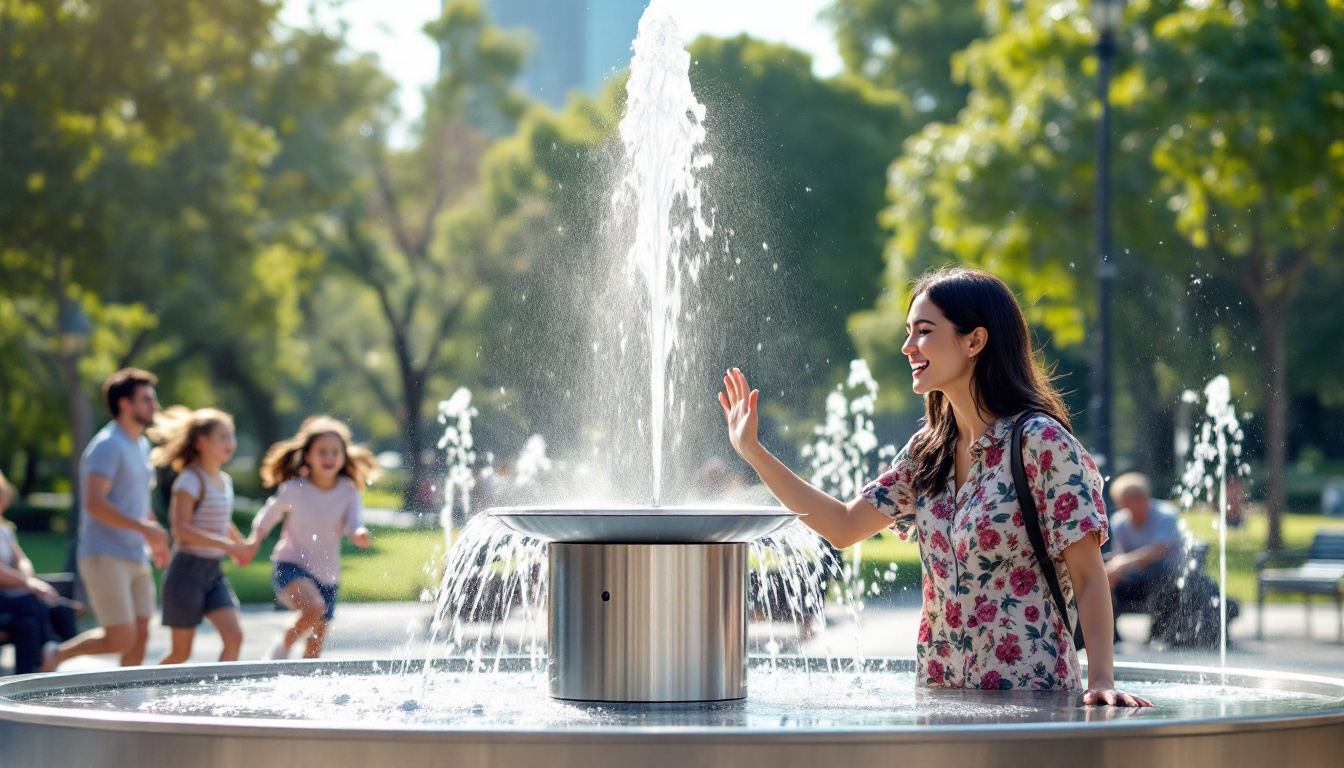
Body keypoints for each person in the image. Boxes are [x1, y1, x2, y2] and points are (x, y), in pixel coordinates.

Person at [719, 267, 1150, 707]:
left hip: (1032, 700)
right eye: (908, 332)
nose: (908, 346)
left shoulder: (1041, 442)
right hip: (940, 699)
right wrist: (753, 451)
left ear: (974, 341)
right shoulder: (927, 452)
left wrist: (1101, 679)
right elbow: (843, 526)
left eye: (924, 332)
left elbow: (1089, 576)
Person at [54, 368, 170, 669]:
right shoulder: (106, 445)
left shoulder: (141, 445)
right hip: (104, 555)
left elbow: (138, 501)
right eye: (147, 399)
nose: (154, 405)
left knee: (141, 635)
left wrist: (154, 537)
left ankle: (126, 696)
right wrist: (143, 527)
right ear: (124, 404)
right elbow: (95, 503)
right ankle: (56, 656)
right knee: (121, 638)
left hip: (136, 555)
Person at [247, 416, 378, 660]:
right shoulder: (294, 489)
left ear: (343, 456)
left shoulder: (348, 491)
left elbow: (354, 521)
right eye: (322, 451)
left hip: (328, 576)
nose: (329, 457)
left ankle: (303, 682)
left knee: (314, 649)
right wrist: (255, 540)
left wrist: (358, 533)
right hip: (291, 566)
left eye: (335, 452)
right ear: (307, 456)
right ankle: (280, 650)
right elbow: (268, 515)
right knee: (314, 607)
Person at [150, 407, 257, 664]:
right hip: (185, 573)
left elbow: (222, 520)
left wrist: (239, 545)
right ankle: (146, 686)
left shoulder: (225, 481)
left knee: (234, 636)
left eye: (231, 436)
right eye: (223, 436)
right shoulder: (189, 480)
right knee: (180, 653)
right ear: (200, 441)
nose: (230, 442)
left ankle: (220, 688)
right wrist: (228, 546)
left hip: (213, 572)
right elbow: (181, 530)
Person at [0, 470, 80, 674]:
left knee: (28, 622)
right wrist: (28, 583)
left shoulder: (5, 529)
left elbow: (22, 560)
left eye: (4, 493)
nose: (3, 499)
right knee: (34, 603)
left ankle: (32, 673)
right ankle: (46, 662)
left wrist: (26, 577)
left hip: (11, 600)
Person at [1106, 472, 1185, 641]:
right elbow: (1119, 554)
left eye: (1126, 500)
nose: (1122, 505)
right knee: (1106, 575)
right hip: (1135, 576)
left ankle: (1160, 632)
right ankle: (1110, 632)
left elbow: (1158, 551)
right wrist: (1112, 571)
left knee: (1159, 573)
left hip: (1167, 576)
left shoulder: (1165, 515)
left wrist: (1123, 563)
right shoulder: (1119, 521)